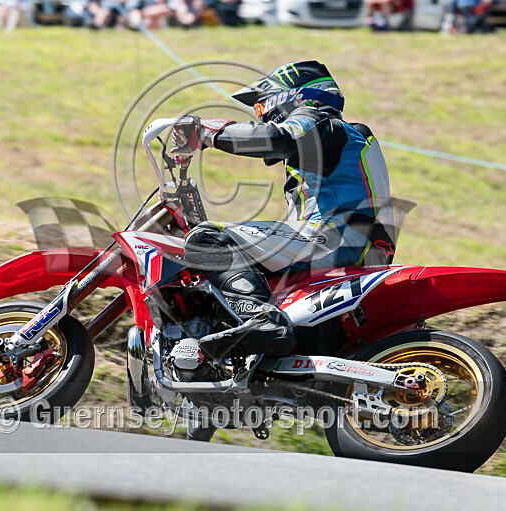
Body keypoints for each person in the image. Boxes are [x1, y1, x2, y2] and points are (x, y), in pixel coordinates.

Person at [169, 61, 395, 360]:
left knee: (208, 238)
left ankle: (264, 321)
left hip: (331, 239)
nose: (260, 115)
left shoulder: (317, 117)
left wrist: (208, 131)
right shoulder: (347, 137)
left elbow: (278, 139)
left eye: (262, 108)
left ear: (292, 97)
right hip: (357, 246)